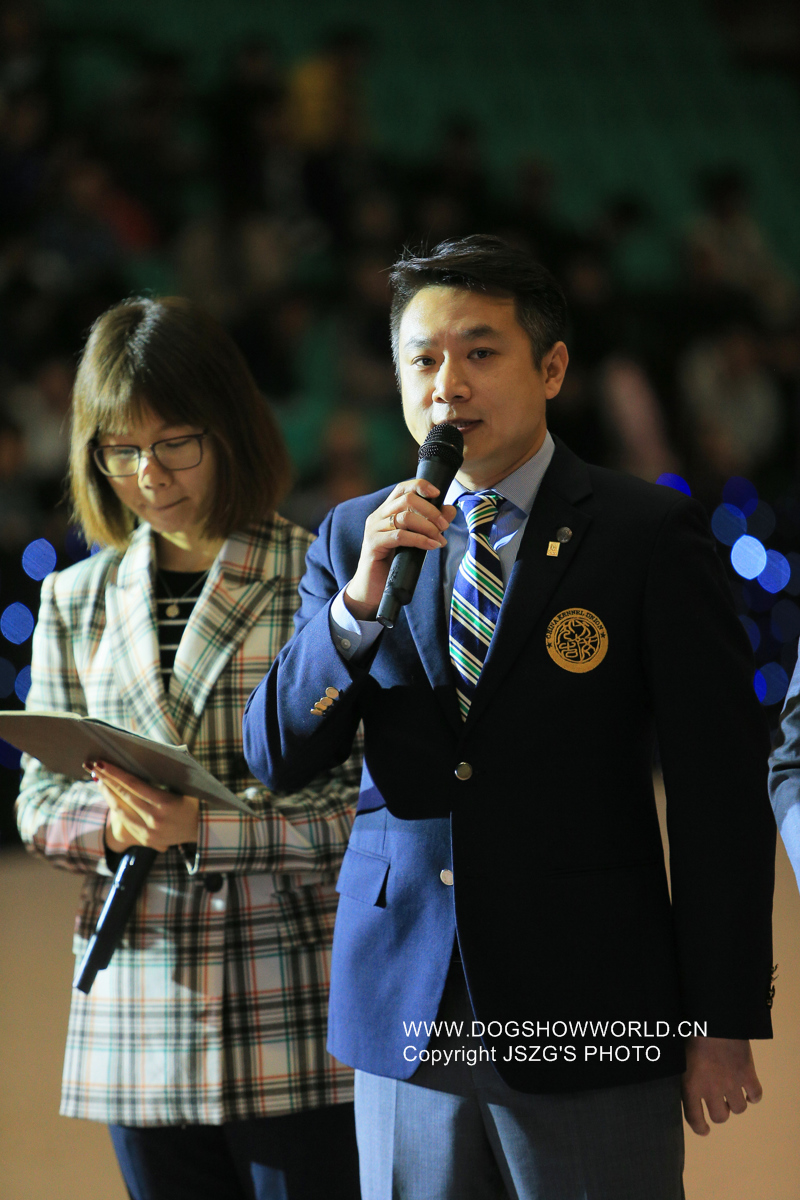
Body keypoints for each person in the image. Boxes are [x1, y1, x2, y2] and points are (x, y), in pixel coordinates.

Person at [243, 236, 776, 1200]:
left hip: (591, 1005)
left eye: (480, 353)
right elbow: (276, 753)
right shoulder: (356, 535)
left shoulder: (647, 534)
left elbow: (719, 793)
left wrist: (721, 1013)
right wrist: (354, 610)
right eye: (423, 359)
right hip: (407, 1009)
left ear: (553, 368)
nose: (447, 386)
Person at [15, 296, 361, 1200]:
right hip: (140, 1005)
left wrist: (205, 829)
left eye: (174, 442)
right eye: (120, 449)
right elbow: (37, 806)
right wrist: (114, 825)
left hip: (295, 994)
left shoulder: (319, 576)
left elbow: (368, 810)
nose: (149, 474)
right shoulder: (76, 597)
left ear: (231, 427)